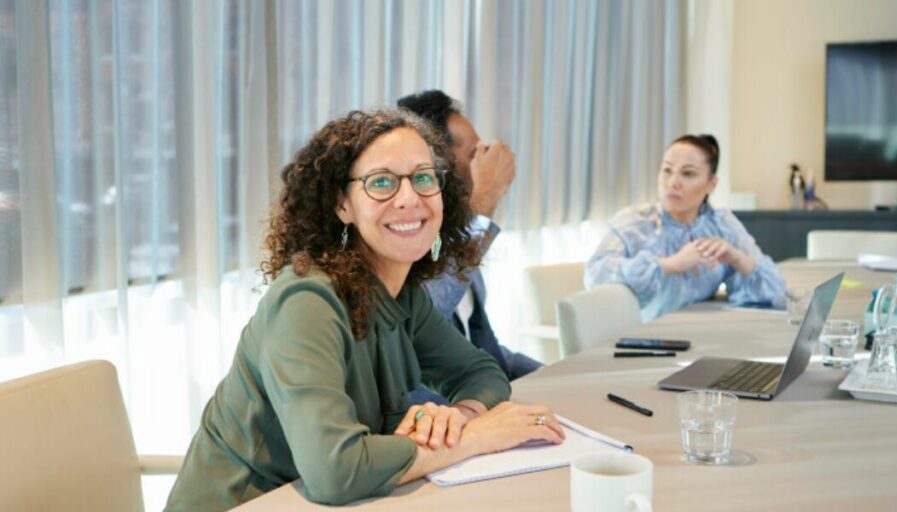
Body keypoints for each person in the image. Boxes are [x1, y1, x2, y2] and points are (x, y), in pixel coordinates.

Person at [165, 109, 565, 511]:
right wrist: (477, 436)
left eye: (423, 177)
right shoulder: (306, 303)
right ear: (342, 205)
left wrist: (457, 417)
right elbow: (335, 472)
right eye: (382, 183)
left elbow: (481, 372)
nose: (410, 198)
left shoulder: (400, 293)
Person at [398, 90, 541, 381]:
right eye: (474, 153)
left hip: (489, 395)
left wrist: (555, 376)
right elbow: (432, 312)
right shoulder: (404, 244)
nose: (484, 161)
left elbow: (483, 352)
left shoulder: (451, 236)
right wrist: (484, 200)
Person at [585, 134, 786, 322]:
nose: (673, 182)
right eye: (667, 170)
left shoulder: (721, 224)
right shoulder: (635, 223)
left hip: (700, 336)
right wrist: (670, 264)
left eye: (688, 173)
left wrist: (736, 258)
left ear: (711, 184)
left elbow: (774, 292)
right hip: (642, 343)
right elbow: (595, 274)